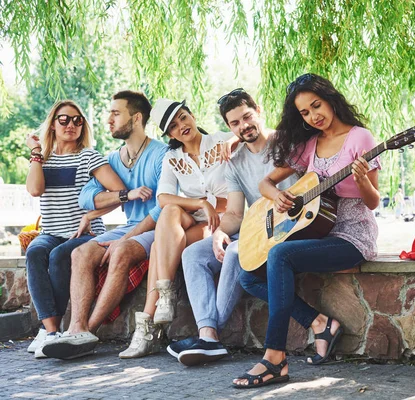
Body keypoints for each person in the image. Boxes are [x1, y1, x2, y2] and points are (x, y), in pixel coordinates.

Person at [233, 74, 380, 388]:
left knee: (280, 254)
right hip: (320, 231)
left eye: (317, 105)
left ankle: (274, 358)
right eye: (305, 112)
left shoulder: (360, 138)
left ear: (330, 99)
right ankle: (318, 321)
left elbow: (373, 201)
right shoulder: (310, 144)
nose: (314, 116)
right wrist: (279, 197)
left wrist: (363, 179)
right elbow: (265, 183)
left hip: (353, 234)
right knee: (247, 274)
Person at [166, 89, 297, 366]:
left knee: (237, 251)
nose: (243, 126)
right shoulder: (234, 161)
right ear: (229, 127)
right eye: (235, 123)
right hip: (261, 229)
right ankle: (208, 335)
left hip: (292, 228)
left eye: (247, 117)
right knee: (193, 254)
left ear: (258, 111)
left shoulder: (287, 143)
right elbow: (236, 213)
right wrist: (220, 232)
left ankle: (209, 337)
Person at [42, 91, 168, 360]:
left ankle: (89, 331)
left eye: (115, 113)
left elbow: (163, 206)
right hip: (130, 227)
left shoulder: (161, 154)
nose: (108, 119)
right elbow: (86, 197)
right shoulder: (113, 159)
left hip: (156, 229)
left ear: (136, 118)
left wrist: (127, 237)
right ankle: (76, 328)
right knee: (81, 252)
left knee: (120, 252)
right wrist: (118, 198)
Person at [119, 99, 238, 358]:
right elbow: (162, 198)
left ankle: (148, 323)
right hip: (197, 222)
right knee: (170, 211)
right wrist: (200, 203)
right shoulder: (173, 158)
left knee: (160, 248)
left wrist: (233, 141)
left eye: (183, 117)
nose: (182, 126)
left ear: (192, 115)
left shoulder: (221, 140)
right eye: (173, 126)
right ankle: (164, 296)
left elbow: (261, 131)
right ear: (170, 134)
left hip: (226, 222)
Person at [24, 100, 125, 358]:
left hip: (86, 234)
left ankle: (51, 333)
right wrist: (36, 153)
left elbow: (120, 192)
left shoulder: (88, 156)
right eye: (64, 119)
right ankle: (51, 331)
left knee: (60, 256)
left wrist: (91, 214)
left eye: (77, 120)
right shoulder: (42, 158)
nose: (71, 125)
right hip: (51, 232)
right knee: (35, 252)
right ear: (53, 124)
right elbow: (35, 190)